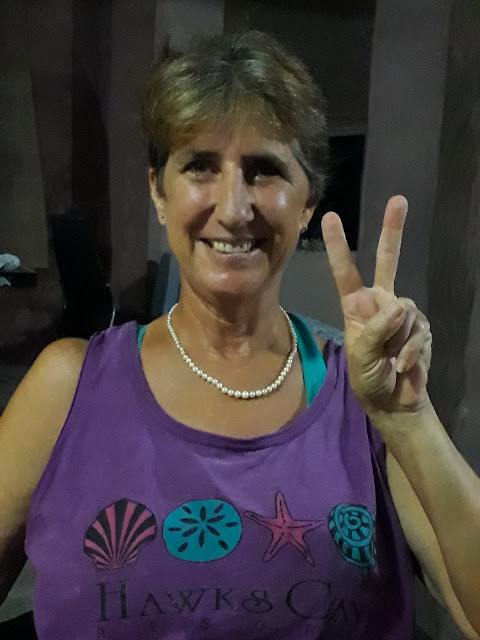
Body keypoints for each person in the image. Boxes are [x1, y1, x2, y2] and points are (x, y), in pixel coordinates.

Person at [0, 31, 479, 640]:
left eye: (264, 170)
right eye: (200, 166)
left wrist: (409, 421)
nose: (232, 209)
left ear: (307, 203)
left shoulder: (364, 403)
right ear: (158, 192)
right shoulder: (67, 388)